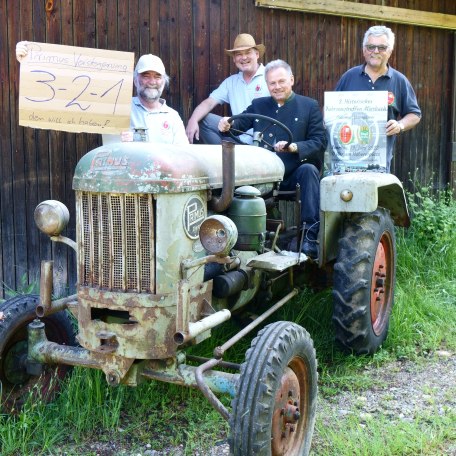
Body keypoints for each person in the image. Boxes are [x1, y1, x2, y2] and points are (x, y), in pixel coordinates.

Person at [218, 59, 327, 258]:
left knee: (309, 171)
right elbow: (239, 122)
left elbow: (319, 141)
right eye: (272, 83)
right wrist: (226, 123)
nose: (276, 87)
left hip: (293, 172)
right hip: (261, 176)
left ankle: (309, 237)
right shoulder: (259, 105)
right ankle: (231, 237)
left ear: (291, 80)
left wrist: (295, 147)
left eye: (281, 81)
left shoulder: (308, 106)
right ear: (267, 84)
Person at [15, 43, 188, 145]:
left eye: (157, 76)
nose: (152, 81)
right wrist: (27, 57)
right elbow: (67, 96)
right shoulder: (115, 106)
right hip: (126, 195)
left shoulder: (173, 117)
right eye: (145, 75)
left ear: (164, 81)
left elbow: (184, 157)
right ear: (135, 80)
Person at [335, 25, 421, 171]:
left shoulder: (399, 80)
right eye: (370, 47)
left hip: (379, 162)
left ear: (390, 51)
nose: (375, 51)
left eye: (381, 47)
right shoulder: (349, 77)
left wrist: (400, 125)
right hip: (346, 159)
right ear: (363, 50)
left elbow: (415, 114)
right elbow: (332, 108)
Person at [185, 33, 269, 144]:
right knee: (204, 120)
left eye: (248, 52)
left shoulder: (271, 76)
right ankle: (222, 159)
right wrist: (192, 120)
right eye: (239, 54)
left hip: (266, 142)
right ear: (234, 59)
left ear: (257, 54)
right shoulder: (231, 82)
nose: (244, 57)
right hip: (238, 139)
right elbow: (209, 103)